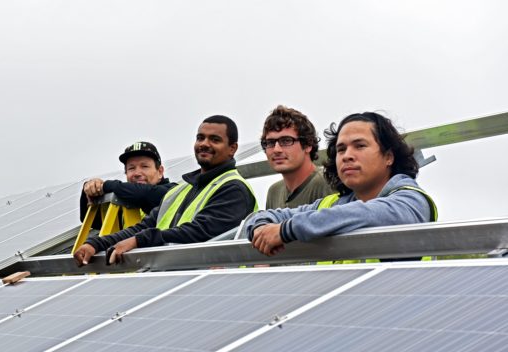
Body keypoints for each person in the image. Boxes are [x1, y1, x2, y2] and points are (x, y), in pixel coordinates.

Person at [244, 111, 437, 257]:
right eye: (341, 149)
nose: (347, 156)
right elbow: (261, 217)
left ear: (388, 156)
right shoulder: (333, 204)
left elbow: (371, 213)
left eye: (360, 146)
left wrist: (286, 230)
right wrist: (260, 226)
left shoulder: (411, 200)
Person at [74, 115, 258, 266]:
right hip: (176, 282)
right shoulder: (180, 191)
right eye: (200, 138)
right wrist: (96, 243)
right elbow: (142, 227)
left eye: (215, 139)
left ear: (232, 148)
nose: (204, 143)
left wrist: (139, 240)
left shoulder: (233, 188)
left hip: (218, 290)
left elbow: (200, 232)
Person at [79, 141, 176, 227]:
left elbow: (144, 193)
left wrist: (105, 185)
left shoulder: (173, 192)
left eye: (145, 166)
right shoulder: (122, 202)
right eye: (131, 168)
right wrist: (88, 189)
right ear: (126, 173)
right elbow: (92, 221)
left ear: (160, 171)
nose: (137, 173)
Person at [262, 105, 334, 209]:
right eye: (270, 143)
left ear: (308, 144)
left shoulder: (328, 183)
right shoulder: (274, 192)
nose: (276, 150)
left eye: (286, 141)